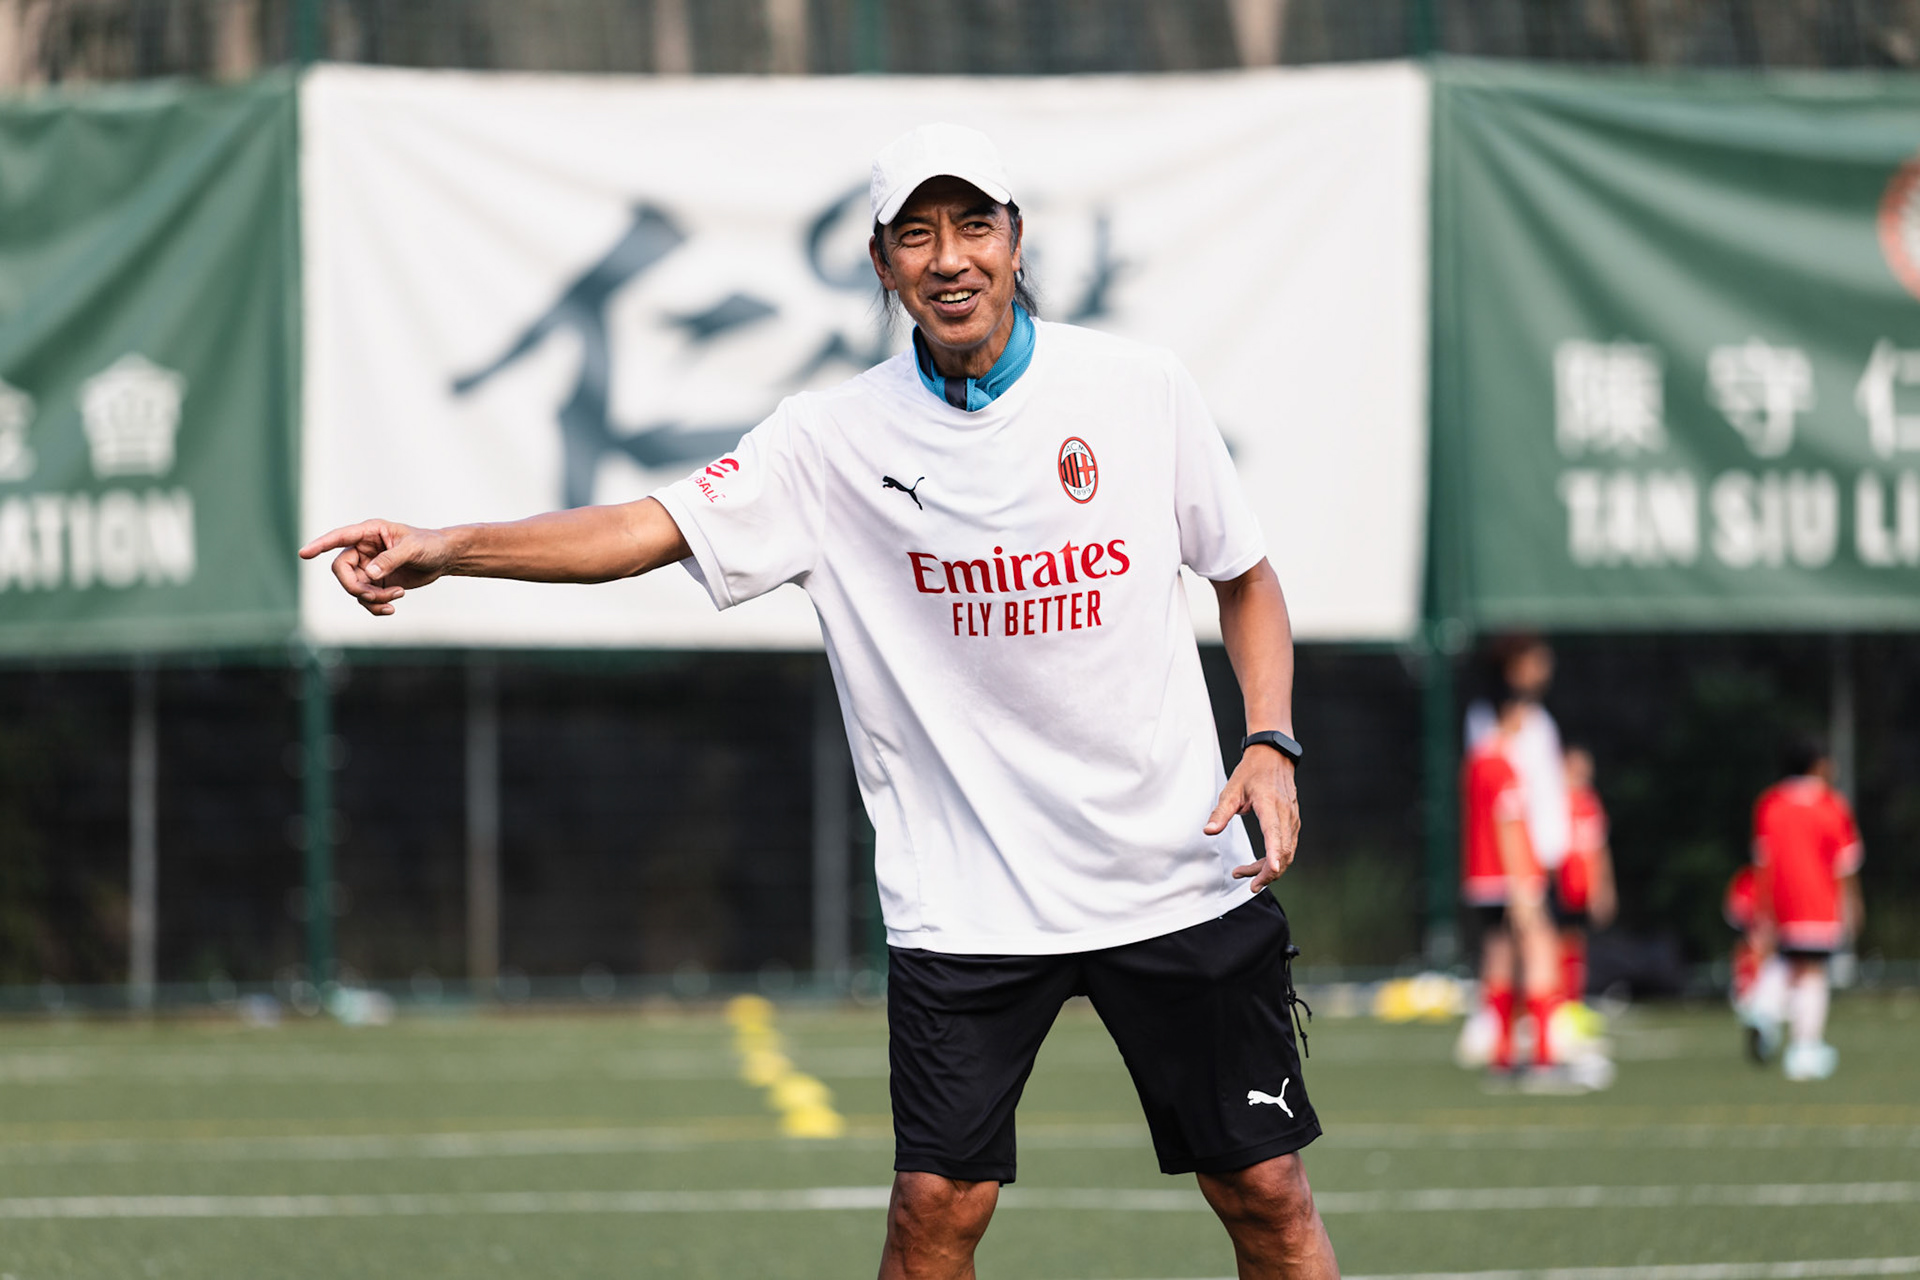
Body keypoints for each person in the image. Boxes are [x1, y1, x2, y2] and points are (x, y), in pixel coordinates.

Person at [301, 123, 1338, 1279]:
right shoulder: (827, 438)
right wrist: (449, 546)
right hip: (969, 898)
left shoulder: (1140, 389)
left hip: (1171, 868)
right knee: (936, 1212)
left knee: (1266, 1193)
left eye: (973, 226)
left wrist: (1269, 738)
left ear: (1015, 240)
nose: (950, 258)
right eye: (917, 234)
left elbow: (1244, 574)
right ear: (881, 261)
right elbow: (639, 528)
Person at [1459, 684, 1563, 1084]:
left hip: (1482, 878)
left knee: (1498, 957)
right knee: (1541, 952)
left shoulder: (1475, 762)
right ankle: (1542, 1055)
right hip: (1511, 876)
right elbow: (1509, 827)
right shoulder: (1504, 765)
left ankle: (1502, 1054)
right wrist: (1523, 884)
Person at [1747, 737, 1864, 1082]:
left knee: (1787, 962)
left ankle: (1764, 1009)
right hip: (1817, 902)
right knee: (1813, 973)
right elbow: (1844, 864)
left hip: (1780, 902)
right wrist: (1853, 904)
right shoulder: (1831, 805)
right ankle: (1804, 1049)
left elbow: (1763, 863)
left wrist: (1763, 910)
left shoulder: (1770, 803)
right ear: (1817, 764)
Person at [1556, 746, 1616, 1010]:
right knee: (1551, 945)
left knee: (1576, 945)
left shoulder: (1590, 801)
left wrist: (1604, 889)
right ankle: (1550, 1004)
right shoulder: (1553, 800)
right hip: (1559, 884)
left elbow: (1600, 849)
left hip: (1582, 887)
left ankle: (1571, 1002)